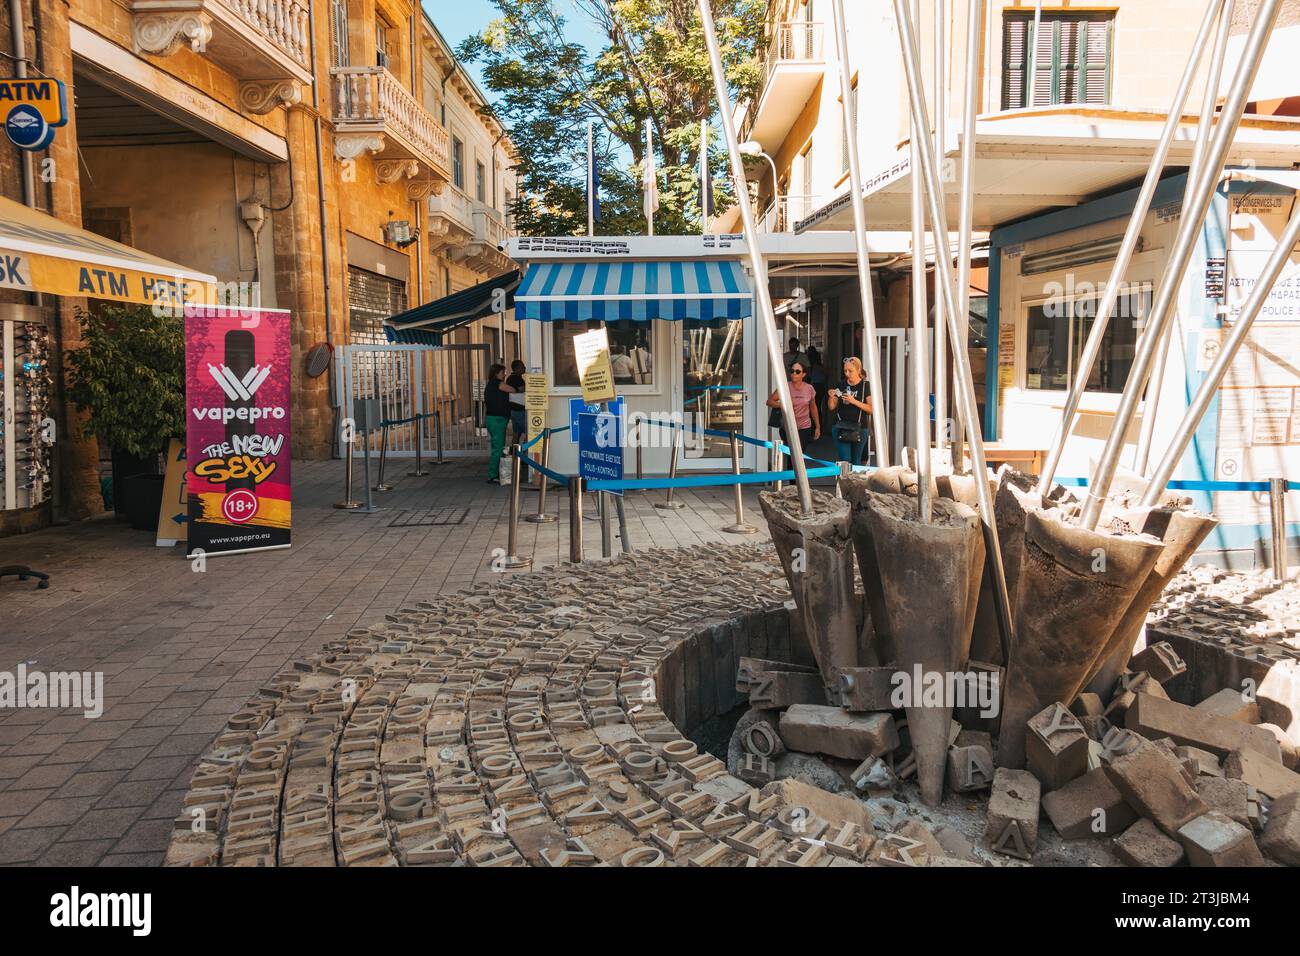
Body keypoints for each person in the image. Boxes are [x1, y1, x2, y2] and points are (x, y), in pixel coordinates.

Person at [766, 359, 820, 457]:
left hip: (804, 427)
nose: (794, 374)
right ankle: (791, 472)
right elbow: (769, 401)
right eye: (792, 371)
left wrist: (817, 426)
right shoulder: (785, 387)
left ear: (803, 374)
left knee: (799, 455)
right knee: (791, 456)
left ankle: (796, 472)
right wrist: (782, 404)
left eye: (797, 372)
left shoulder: (809, 389)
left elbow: (813, 407)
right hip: (787, 427)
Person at [828, 356, 873, 466]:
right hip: (841, 426)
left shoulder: (865, 386)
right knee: (845, 461)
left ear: (858, 370)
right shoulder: (841, 384)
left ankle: (854, 484)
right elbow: (831, 407)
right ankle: (843, 482)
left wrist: (853, 401)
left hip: (860, 427)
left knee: (856, 461)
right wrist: (831, 396)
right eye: (845, 371)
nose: (847, 374)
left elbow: (871, 409)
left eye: (850, 371)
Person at [484, 363, 514, 484]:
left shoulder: (491, 384)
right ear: (497, 373)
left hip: (494, 419)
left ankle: (496, 473)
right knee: (498, 448)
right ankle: (492, 475)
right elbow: (512, 389)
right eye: (503, 372)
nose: (504, 374)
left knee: (497, 446)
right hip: (497, 419)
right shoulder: (496, 383)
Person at [805, 345, 827, 421]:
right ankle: (818, 425)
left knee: (813, 406)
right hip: (820, 386)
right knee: (817, 406)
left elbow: (808, 376)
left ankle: (815, 425)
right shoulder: (820, 367)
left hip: (815, 386)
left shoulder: (812, 367)